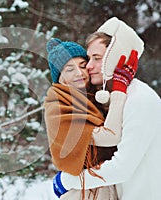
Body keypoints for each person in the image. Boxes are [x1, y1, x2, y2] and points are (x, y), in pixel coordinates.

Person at [53, 17, 161, 200]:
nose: (89, 66)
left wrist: (68, 181)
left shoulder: (141, 99)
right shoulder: (113, 97)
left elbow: (121, 168)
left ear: (116, 56)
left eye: (97, 58)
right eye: (88, 58)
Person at [44, 38, 136, 199]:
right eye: (69, 69)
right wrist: (119, 90)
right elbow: (110, 137)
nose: (79, 73)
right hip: (82, 193)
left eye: (82, 66)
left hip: (101, 185)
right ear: (59, 77)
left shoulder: (91, 99)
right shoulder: (58, 107)